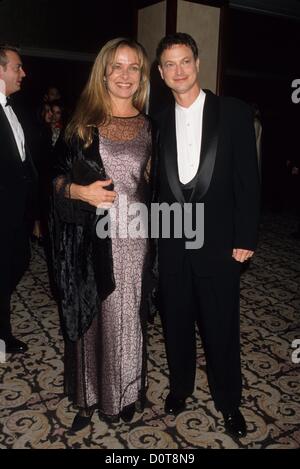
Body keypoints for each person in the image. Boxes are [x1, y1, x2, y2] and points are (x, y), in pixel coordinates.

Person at [154, 33, 260, 439]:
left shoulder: (232, 112)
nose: (178, 70)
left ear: (197, 63)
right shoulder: (157, 120)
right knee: (176, 325)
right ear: (162, 74)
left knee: (221, 327)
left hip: (220, 244)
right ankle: (180, 388)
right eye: (170, 65)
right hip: (173, 246)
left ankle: (229, 401)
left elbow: (248, 181)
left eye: (185, 61)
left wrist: (246, 236)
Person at [50, 38, 152, 433]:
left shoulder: (150, 126)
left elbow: (156, 185)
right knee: (93, 315)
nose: (125, 75)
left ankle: (125, 393)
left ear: (141, 76)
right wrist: (80, 192)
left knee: (129, 319)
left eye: (134, 68)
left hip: (139, 238)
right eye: (118, 66)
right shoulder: (82, 124)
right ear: (104, 72)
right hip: (93, 239)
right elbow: (54, 178)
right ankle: (90, 395)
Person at [0, 44, 37, 353]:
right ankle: (3, 334)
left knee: (19, 261)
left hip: (17, 211)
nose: (23, 73)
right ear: (0, 70)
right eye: (17, 67)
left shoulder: (14, 107)